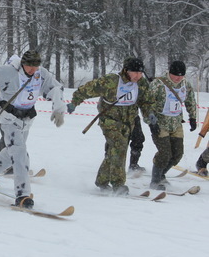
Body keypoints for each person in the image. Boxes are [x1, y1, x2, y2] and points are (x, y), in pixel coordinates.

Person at [0, 50, 66, 208]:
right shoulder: (7, 72)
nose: (32, 69)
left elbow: (56, 88)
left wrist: (58, 109)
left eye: (35, 66)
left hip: (27, 119)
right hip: (8, 118)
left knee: (13, 152)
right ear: (23, 63)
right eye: (29, 66)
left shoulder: (41, 74)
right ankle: (22, 195)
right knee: (19, 152)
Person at [67, 57, 152, 195]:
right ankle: (118, 184)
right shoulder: (111, 81)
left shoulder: (141, 83)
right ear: (126, 71)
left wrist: (149, 115)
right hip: (110, 121)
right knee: (119, 147)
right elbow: (88, 89)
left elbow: (145, 101)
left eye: (140, 73)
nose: (138, 76)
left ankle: (102, 181)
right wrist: (74, 102)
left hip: (128, 122)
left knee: (114, 151)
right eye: (134, 72)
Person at [147, 60, 196, 190]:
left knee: (177, 154)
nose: (178, 78)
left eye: (181, 75)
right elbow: (147, 104)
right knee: (164, 153)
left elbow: (191, 100)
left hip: (176, 123)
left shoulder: (186, 84)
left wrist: (193, 118)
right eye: (175, 75)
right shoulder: (158, 84)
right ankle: (155, 180)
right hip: (160, 123)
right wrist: (151, 122)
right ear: (170, 73)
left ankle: (162, 174)